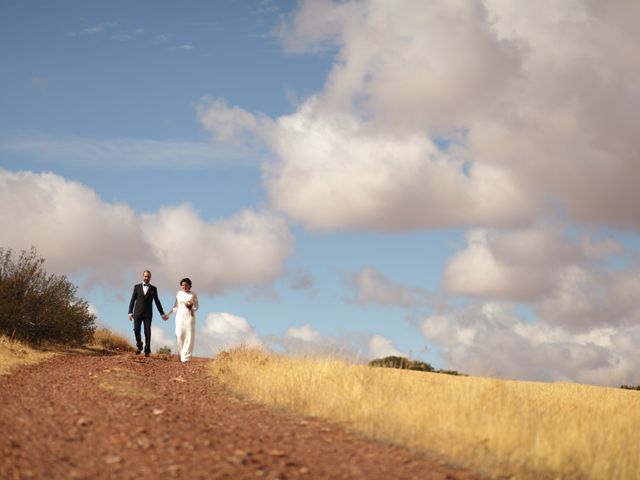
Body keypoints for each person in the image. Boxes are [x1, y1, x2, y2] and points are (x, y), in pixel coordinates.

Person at [128, 270, 168, 357]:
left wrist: (162, 313)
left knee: (147, 332)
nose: (146, 278)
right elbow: (132, 300)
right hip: (137, 312)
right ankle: (139, 345)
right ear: (143, 276)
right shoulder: (136, 287)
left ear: (150, 277)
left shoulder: (154, 289)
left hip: (148, 314)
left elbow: (157, 302)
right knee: (136, 329)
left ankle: (147, 350)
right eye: (145, 276)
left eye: (148, 276)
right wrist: (130, 312)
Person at [166, 277, 199, 363]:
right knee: (179, 335)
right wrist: (168, 315)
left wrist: (191, 306)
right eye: (183, 285)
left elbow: (197, 306)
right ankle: (181, 355)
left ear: (190, 286)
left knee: (189, 337)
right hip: (180, 317)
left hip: (189, 317)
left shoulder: (193, 294)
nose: (184, 287)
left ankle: (186, 358)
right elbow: (175, 306)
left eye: (186, 285)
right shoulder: (179, 294)